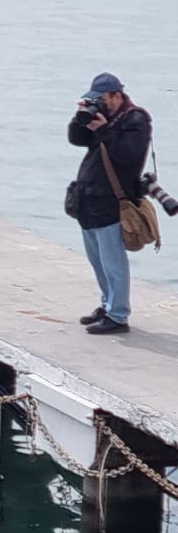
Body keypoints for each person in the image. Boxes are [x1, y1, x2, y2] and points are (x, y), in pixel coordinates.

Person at [67, 72, 152, 335]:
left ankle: (118, 315)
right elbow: (76, 139)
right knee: (97, 260)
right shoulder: (102, 118)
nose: (100, 105)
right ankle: (107, 304)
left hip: (112, 202)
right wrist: (80, 119)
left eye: (103, 100)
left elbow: (127, 156)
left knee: (113, 261)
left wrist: (104, 130)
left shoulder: (136, 119)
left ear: (117, 95)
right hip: (88, 199)